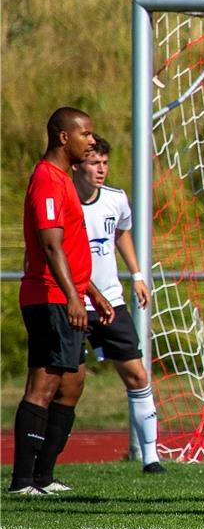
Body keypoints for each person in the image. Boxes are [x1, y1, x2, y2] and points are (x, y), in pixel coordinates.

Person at [39, 136, 164, 489]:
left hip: (111, 302)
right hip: (73, 303)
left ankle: (151, 457)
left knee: (138, 376)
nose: (102, 169)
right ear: (77, 165)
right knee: (63, 384)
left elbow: (122, 232)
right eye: (95, 163)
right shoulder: (62, 200)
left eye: (105, 164)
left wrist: (137, 274)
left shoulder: (115, 199)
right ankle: (41, 465)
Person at [9, 107, 114, 495]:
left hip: (67, 294)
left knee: (72, 384)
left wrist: (92, 293)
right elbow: (51, 246)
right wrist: (73, 296)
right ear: (63, 137)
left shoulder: (63, 179)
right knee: (44, 385)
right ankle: (23, 480)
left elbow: (70, 246)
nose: (91, 140)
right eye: (85, 134)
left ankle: (44, 476)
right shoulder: (48, 179)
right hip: (50, 296)